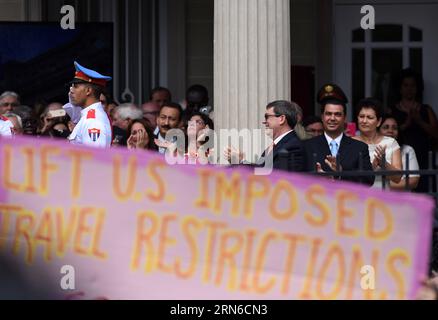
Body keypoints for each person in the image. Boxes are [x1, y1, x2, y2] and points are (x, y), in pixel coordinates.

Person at [304, 84, 374, 186]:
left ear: (344, 117)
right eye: (328, 114)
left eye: (337, 114)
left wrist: (342, 173)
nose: (332, 118)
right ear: (322, 117)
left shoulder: (359, 147)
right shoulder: (307, 146)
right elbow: (295, 178)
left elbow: (368, 181)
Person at [390, 68, 438, 192]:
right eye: (405, 85)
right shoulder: (392, 111)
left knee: (426, 195)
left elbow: (436, 133)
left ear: (417, 88)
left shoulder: (426, 109)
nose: (409, 89)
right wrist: (407, 123)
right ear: (400, 88)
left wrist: (419, 121)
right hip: (399, 158)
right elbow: (386, 133)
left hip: (424, 159)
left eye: (412, 85)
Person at [224, 100, 305, 173]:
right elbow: (261, 168)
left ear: (281, 119)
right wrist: (241, 161)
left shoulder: (294, 146)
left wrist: (241, 162)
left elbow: (273, 176)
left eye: (267, 117)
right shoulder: (277, 144)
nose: (264, 122)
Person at [353, 98, 402, 189]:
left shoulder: (390, 143)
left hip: (383, 197)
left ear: (379, 122)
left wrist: (384, 163)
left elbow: (398, 177)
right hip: (358, 197)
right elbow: (345, 177)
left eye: (369, 117)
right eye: (361, 116)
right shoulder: (349, 142)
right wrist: (372, 167)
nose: (364, 121)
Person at [67, 61, 112, 148]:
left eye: (75, 86)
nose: (71, 91)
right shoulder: (88, 116)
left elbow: (95, 158)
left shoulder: (93, 121)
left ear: (88, 91)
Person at [379, 114, 420, 191]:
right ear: (378, 131)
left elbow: (413, 181)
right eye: (385, 127)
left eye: (394, 128)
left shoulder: (407, 150)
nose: (390, 131)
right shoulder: (369, 149)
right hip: (374, 201)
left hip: (401, 200)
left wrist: (380, 186)